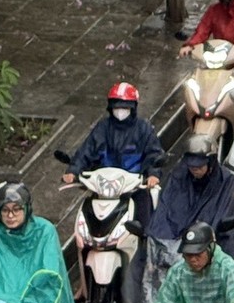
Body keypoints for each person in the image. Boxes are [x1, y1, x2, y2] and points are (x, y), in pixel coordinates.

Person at [134, 134, 234, 303]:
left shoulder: (228, 183)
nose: (195, 171)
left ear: (211, 161)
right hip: (177, 248)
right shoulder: (178, 178)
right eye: (192, 167)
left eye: (199, 166)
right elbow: (165, 214)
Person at [63, 83, 163, 225]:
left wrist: (153, 174)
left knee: (144, 222)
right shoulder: (102, 128)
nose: (120, 111)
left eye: (125, 107)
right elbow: (87, 150)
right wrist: (73, 171)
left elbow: (154, 153)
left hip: (134, 187)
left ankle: (143, 243)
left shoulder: (143, 128)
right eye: (117, 107)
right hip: (104, 188)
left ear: (133, 108)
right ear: (110, 108)